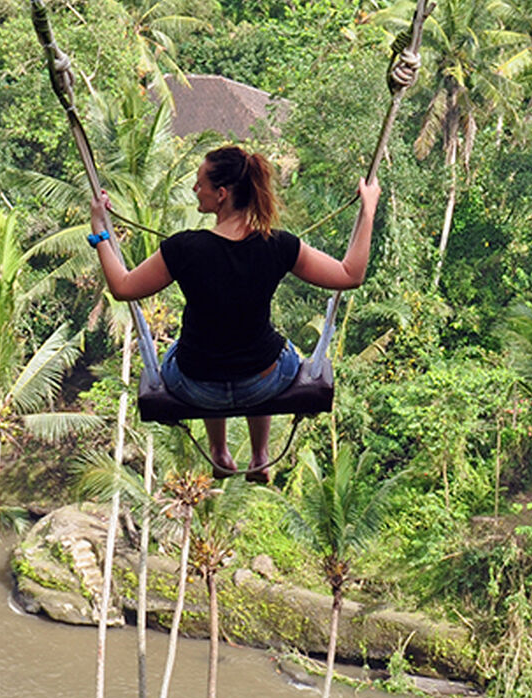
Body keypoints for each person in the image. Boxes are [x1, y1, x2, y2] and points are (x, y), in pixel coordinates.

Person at [88, 145, 381, 481]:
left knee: (190, 351)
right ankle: (260, 454)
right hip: (263, 383)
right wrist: (368, 210)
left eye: (201, 185)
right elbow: (350, 275)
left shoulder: (183, 248)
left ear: (222, 194)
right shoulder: (278, 245)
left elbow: (123, 287)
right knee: (271, 351)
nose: (195, 190)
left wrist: (100, 231)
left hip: (196, 386)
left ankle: (219, 452)